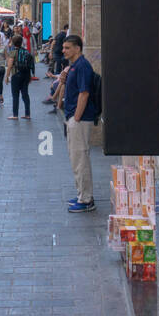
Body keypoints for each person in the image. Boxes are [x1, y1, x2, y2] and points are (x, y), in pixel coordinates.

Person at [61, 36, 100, 212]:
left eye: (67, 48)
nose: (64, 51)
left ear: (77, 49)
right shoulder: (75, 66)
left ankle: (86, 199)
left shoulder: (83, 66)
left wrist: (76, 118)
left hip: (80, 119)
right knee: (76, 159)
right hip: (74, 117)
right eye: (63, 48)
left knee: (80, 159)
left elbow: (84, 93)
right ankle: (81, 194)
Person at [8, 34, 35, 119]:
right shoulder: (26, 51)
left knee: (15, 95)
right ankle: (27, 114)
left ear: (13, 42)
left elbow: (10, 65)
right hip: (26, 75)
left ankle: (15, 115)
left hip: (16, 75)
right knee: (25, 94)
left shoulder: (13, 52)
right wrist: (30, 76)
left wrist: (7, 76)